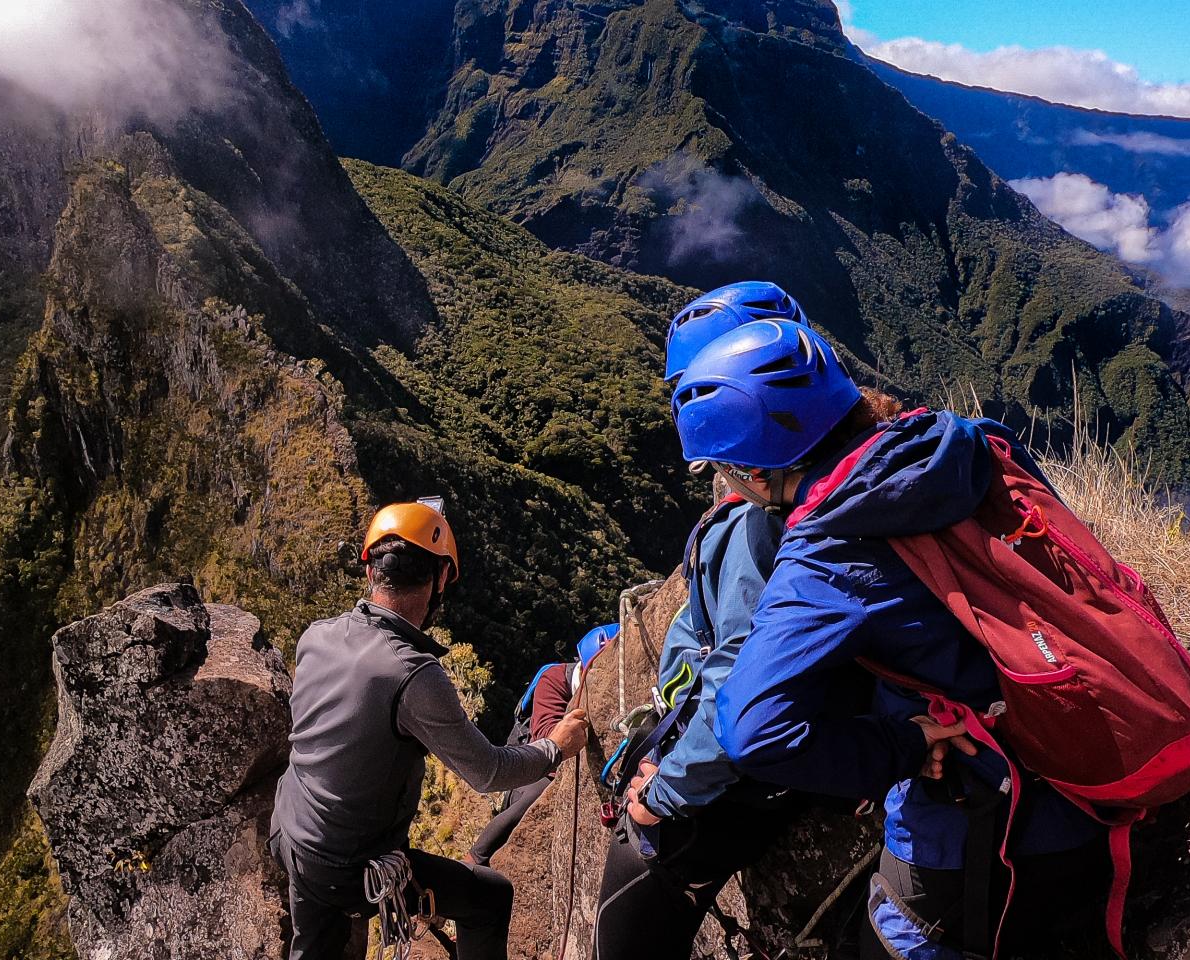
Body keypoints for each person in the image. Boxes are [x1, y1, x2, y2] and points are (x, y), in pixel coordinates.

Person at [681, 320, 1109, 959]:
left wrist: (902, 744)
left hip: (976, 830)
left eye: (725, 470)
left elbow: (751, 730)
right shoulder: (967, 444)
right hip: (1090, 773)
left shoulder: (827, 552)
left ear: (753, 469)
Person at [592, 282, 814, 960]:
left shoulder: (759, 522)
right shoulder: (785, 491)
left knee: (628, 902)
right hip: (766, 743)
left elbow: (741, 669)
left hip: (759, 769)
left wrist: (664, 786)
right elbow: (701, 626)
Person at [270, 501, 591, 960]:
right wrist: (555, 747)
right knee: (489, 898)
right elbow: (488, 771)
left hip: (291, 831)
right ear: (440, 579)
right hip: (348, 868)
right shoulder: (412, 673)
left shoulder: (317, 635)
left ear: (370, 572)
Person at [465, 623, 617, 867]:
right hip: (534, 767)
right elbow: (545, 737)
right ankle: (477, 857)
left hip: (565, 764)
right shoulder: (555, 679)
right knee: (539, 793)